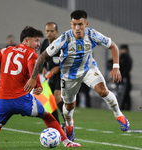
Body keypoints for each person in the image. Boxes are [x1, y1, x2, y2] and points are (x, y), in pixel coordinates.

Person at [0, 26, 81, 148]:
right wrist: (37, 84)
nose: (38, 44)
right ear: (26, 41)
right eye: (35, 41)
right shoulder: (31, 54)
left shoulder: (5, 50)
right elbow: (32, 71)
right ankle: (66, 142)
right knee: (48, 117)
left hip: (2, 100)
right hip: (23, 100)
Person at [24, 10, 130, 142]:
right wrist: (33, 78)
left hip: (88, 69)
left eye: (80, 24)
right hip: (69, 75)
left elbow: (113, 46)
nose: (77, 28)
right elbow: (43, 56)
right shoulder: (64, 38)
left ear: (86, 23)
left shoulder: (92, 34)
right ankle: (69, 124)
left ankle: (119, 115)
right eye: (74, 24)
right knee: (69, 107)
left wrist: (116, 67)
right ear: (71, 24)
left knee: (103, 91)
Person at [40, 22, 65, 125]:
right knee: (49, 99)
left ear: (57, 32)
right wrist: (44, 67)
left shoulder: (62, 43)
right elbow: (42, 57)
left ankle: (68, 121)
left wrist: (58, 68)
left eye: (52, 31)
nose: (49, 33)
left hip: (62, 74)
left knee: (57, 97)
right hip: (51, 75)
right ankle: (56, 124)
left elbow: (68, 60)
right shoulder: (45, 43)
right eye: (47, 31)